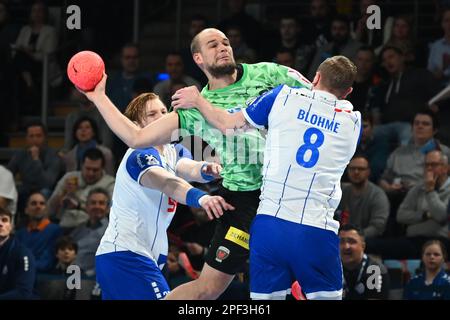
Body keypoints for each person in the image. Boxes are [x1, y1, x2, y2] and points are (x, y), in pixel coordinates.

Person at [80, 27, 312, 300]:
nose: (224, 47)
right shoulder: (187, 112)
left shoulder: (270, 73)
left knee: (301, 273)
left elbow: (320, 97)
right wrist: (98, 97)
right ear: (198, 59)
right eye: (213, 45)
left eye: (226, 42)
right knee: (208, 290)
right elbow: (139, 141)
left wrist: (206, 169)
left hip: (286, 189)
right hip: (241, 201)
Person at [172, 55, 361, 299]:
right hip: (315, 229)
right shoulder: (353, 121)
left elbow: (228, 124)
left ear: (316, 77)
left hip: (269, 226)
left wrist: (198, 99)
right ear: (348, 92)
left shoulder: (281, 96)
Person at [95, 92, 234, 300]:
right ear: (136, 125)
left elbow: (188, 168)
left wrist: (208, 168)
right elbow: (168, 183)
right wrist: (202, 198)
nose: (162, 117)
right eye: (152, 114)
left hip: (141, 258)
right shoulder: (139, 154)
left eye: (163, 111)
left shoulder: (170, 150)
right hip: (127, 256)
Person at [338, 154, 390, 238]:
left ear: (368, 172)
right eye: (352, 168)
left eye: (361, 169)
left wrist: (355, 236)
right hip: (339, 236)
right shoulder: (340, 190)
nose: (356, 172)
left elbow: (377, 227)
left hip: (366, 239)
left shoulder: (377, 195)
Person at [339, 224, 390, 300]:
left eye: (352, 241)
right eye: (341, 241)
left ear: (363, 246)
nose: (346, 246)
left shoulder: (374, 270)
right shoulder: (329, 269)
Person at [15, 192, 62, 272]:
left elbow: (46, 263)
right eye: (34, 203)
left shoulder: (55, 231)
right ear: (26, 210)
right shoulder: (20, 234)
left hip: (45, 279)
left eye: (42, 203)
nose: (38, 206)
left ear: (46, 209)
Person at [0, 207, 36, 299]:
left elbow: (23, 292)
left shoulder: (22, 253)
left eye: (4, 220)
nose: (0, 224)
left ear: (11, 226)